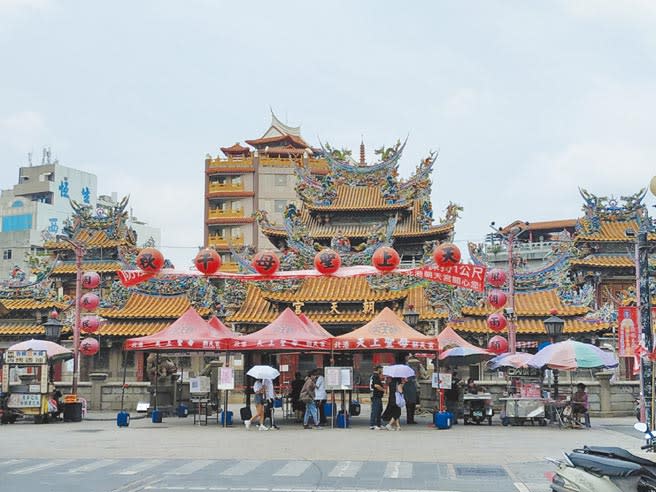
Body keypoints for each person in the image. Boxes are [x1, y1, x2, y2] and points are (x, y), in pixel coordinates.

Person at [369, 365, 385, 430]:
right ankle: (372, 424)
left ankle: (378, 424)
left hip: (378, 396)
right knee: (375, 410)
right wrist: (383, 389)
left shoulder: (376, 376)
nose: (382, 371)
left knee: (379, 409)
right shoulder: (375, 376)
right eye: (381, 369)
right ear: (378, 369)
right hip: (375, 395)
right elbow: (376, 385)